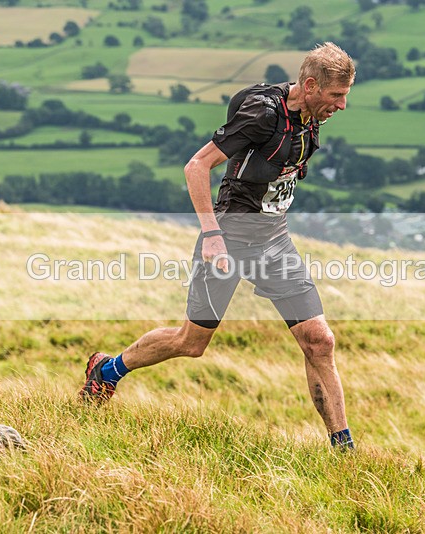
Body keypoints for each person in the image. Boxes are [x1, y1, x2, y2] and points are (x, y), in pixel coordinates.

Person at [80, 42, 356, 449]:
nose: (343, 106)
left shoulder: (311, 115)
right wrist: (212, 236)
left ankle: (343, 450)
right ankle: (107, 372)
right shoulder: (263, 115)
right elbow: (197, 166)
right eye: (337, 96)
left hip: (274, 241)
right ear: (311, 85)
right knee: (191, 343)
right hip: (228, 238)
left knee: (320, 341)